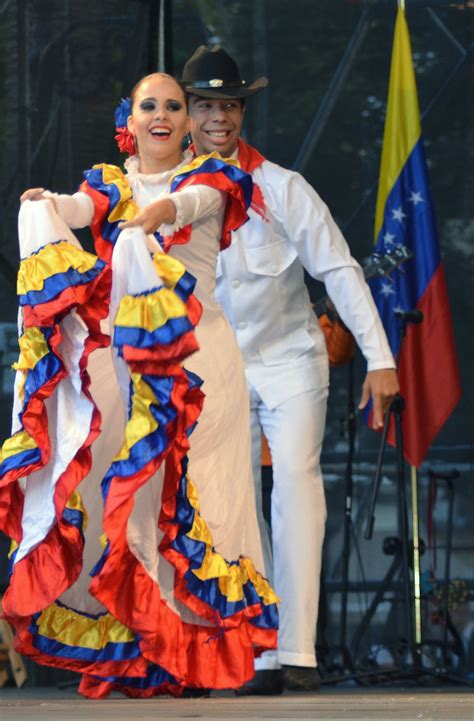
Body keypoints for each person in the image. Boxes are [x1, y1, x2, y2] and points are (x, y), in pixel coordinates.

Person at [0, 72, 278, 699]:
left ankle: (194, 652)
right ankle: (141, 650)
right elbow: (79, 210)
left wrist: (153, 215)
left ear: (187, 122)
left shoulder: (214, 176)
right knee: (126, 506)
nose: (161, 115)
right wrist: (47, 206)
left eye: (173, 107)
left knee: (203, 499)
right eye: (149, 105)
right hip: (121, 368)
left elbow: (183, 207)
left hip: (199, 365)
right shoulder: (109, 181)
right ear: (133, 117)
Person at [181, 46, 400, 694]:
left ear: (242, 111)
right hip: (219, 368)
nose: (218, 117)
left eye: (228, 105)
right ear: (189, 114)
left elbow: (339, 268)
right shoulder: (172, 193)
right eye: (206, 105)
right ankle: (260, 648)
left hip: (290, 359)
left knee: (297, 477)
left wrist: (381, 358)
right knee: (233, 498)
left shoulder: (281, 187)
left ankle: (299, 649)